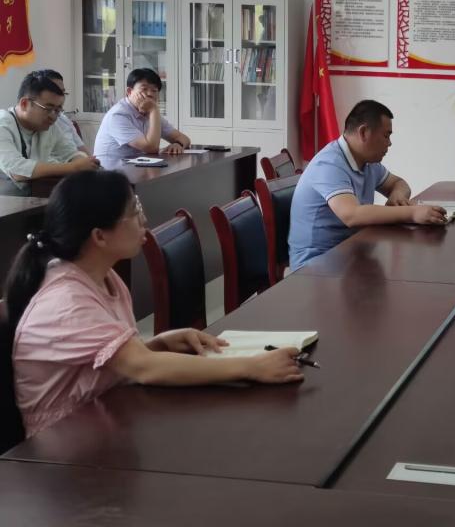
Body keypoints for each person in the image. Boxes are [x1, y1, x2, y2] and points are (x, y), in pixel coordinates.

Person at [5, 169, 303, 440]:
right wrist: (251, 367)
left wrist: (156, 344)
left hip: (103, 421)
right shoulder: (66, 302)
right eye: (135, 212)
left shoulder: (103, 276)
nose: (144, 220)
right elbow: (144, 368)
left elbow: (105, 363)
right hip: (61, 450)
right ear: (99, 236)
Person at [288, 99, 447, 270]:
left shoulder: (368, 162)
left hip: (351, 253)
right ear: (363, 132)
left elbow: (399, 183)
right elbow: (352, 215)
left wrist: (397, 196)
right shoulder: (329, 164)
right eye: (386, 135)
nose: (389, 143)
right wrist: (413, 213)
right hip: (316, 265)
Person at [0, 71, 99, 184]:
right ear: (24, 104)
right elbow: (16, 170)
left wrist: (82, 162)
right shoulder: (3, 123)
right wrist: (74, 167)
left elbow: (70, 153)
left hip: (34, 192)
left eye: (57, 110)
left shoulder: (48, 126)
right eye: (48, 109)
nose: (53, 116)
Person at [92, 68, 190, 159]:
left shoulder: (150, 111)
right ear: (129, 91)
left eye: (154, 90)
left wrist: (178, 144)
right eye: (144, 89)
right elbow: (151, 148)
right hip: (110, 169)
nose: (150, 94)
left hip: (136, 166)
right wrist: (154, 110)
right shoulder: (118, 115)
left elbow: (184, 139)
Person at [38, 69, 89, 154]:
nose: (60, 97)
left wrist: (91, 161)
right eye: (55, 92)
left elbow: (83, 150)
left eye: (62, 93)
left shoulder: (64, 120)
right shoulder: (39, 124)